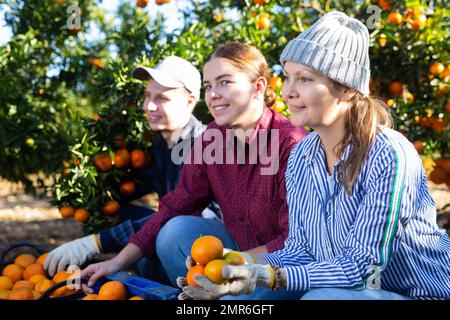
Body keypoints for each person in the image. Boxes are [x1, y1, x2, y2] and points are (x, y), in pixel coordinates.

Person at [178, 12, 450, 300]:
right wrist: (238, 263)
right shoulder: (303, 157)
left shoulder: (388, 154)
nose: (288, 91)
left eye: (305, 79)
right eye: (287, 77)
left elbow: (364, 269)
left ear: (346, 89)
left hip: (414, 293)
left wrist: (268, 276)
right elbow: (300, 250)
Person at [80, 42, 309, 294]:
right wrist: (116, 261)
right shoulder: (211, 139)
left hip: (283, 267)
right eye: (209, 85)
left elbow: (297, 242)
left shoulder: (291, 144)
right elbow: (177, 204)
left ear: (258, 87)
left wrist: (233, 264)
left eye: (225, 82)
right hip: (239, 249)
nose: (213, 94)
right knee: (173, 231)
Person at [44, 56, 218, 282]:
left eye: (162, 98)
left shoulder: (201, 145)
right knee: (114, 210)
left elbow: (178, 214)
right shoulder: (162, 145)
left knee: (155, 249)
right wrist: (87, 186)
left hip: (205, 244)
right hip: (173, 228)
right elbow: (130, 189)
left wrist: (98, 242)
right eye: (147, 96)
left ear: (189, 102)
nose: (149, 107)